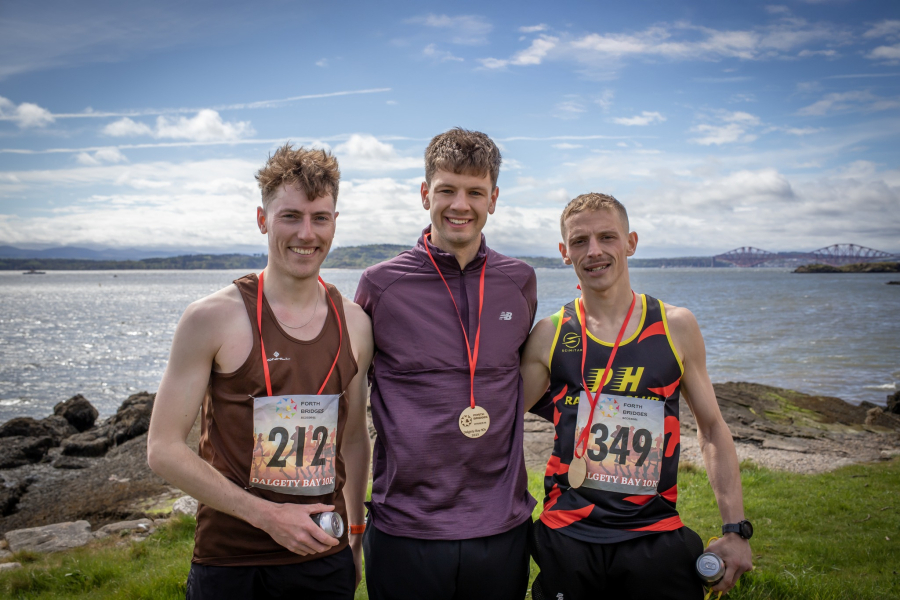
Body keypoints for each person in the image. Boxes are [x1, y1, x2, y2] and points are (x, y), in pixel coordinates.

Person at [147, 144, 373, 600]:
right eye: (290, 216)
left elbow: (352, 438)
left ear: (334, 222)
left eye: (320, 217)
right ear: (262, 219)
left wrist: (355, 531)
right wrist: (266, 515)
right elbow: (163, 448)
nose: (306, 234)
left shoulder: (356, 324)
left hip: (322, 556)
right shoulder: (211, 318)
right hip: (230, 560)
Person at [521, 193, 753, 599]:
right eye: (579, 241)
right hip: (568, 537)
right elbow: (500, 423)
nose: (594, 251)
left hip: (655, 537)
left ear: (630, 242)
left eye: (607, 237)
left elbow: (713, 428)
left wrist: (735, 530)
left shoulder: (675, 326)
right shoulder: (549, 334)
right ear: (563, 252)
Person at [354, 128, 538, 600]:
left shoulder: (520, 281)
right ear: (424, 194)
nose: (461, 204)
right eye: (447, 190)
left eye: (475, 191)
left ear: (493, 198)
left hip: (501, 525)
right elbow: (350, 406)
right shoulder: (380, 285)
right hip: (405, 527)